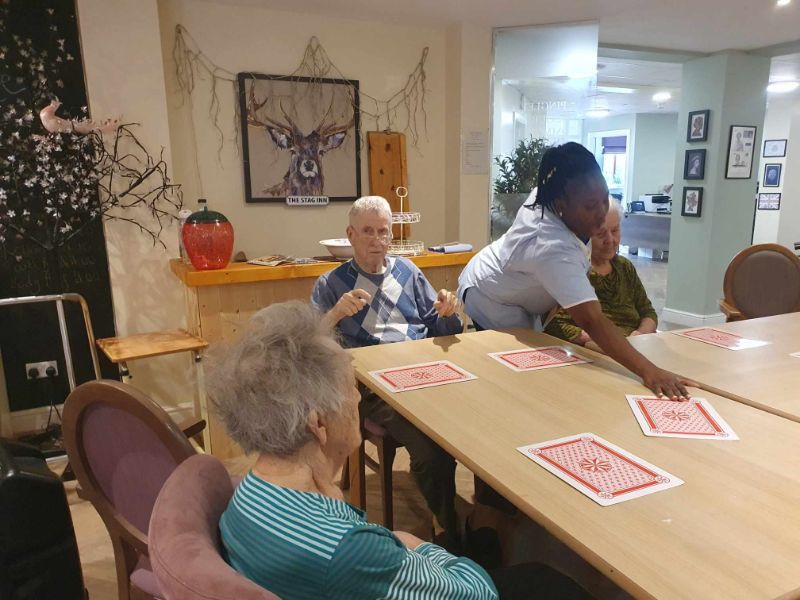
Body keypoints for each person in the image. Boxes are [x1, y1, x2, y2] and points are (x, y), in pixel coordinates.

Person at [209, 302, 592, 599]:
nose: (358, 398)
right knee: (547, 581)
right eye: (350, 388)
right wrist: (417, 546)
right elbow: (473, 591)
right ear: (318, 424)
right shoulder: (348, 551)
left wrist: (394, 544)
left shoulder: (247, 491)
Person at [458, 142, 692, 399]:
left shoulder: (549, 190)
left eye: (604, 199)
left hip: (513, 286)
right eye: (590, 206)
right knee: (518, 376)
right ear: (561, 203)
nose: (601, 214)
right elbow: (592, 320)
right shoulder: (551, 247)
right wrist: (649, 371)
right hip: (490, 296)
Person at [312, 195, 464, 551]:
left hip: (424, 372)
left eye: (383, 231)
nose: (377, 240)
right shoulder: (331, 283)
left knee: (474, 423)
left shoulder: (408, 272)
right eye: (367, 231)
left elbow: (442, 328)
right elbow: (312, 347)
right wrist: (335, 315)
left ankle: (491, 510)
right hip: (373, 387)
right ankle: (451, 530)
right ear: (350, 235)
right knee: (432, 450)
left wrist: (448, 312)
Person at [545, 198, 658, 346]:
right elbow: (553, 324)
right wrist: (598, 341)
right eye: (600, 234)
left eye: (615, 230)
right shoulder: (574, 271)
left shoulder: (624, 267)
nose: (610, 240)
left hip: (634, 345)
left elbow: (648, 313)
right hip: (598, 349)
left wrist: (640, 335)